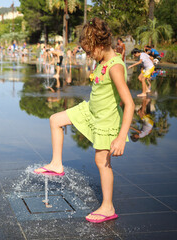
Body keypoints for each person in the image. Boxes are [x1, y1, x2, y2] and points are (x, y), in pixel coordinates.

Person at [33, 17, 135, 223]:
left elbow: (129, 103)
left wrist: (121, 136)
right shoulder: (102, 61)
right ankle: (56, 164)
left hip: (105, 120)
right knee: (55, 119)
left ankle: (108, 207)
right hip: (90, 110)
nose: (88, 56)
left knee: (102, 162)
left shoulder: (115, 67)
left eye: (89, 51)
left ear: (100, 44)